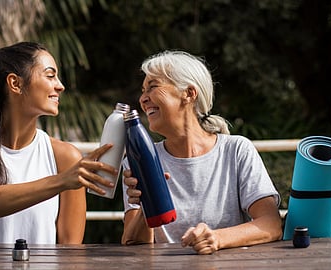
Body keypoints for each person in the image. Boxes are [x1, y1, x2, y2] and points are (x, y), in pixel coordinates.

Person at [0, 41, 116, 245]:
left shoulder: (66, 157)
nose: (60, 85)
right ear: (15, 84)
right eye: (50, 75)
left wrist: (66, 177)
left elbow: (71, 250)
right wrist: (62, 180)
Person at [121, 50, 283, 254]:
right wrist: (148, 203)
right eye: (143, 90)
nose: (143, 99)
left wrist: (217, 238)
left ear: (189, 93)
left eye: (153, 87)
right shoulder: (138, 160)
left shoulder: (236, 150)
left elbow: (271, 225)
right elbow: (131, 244)